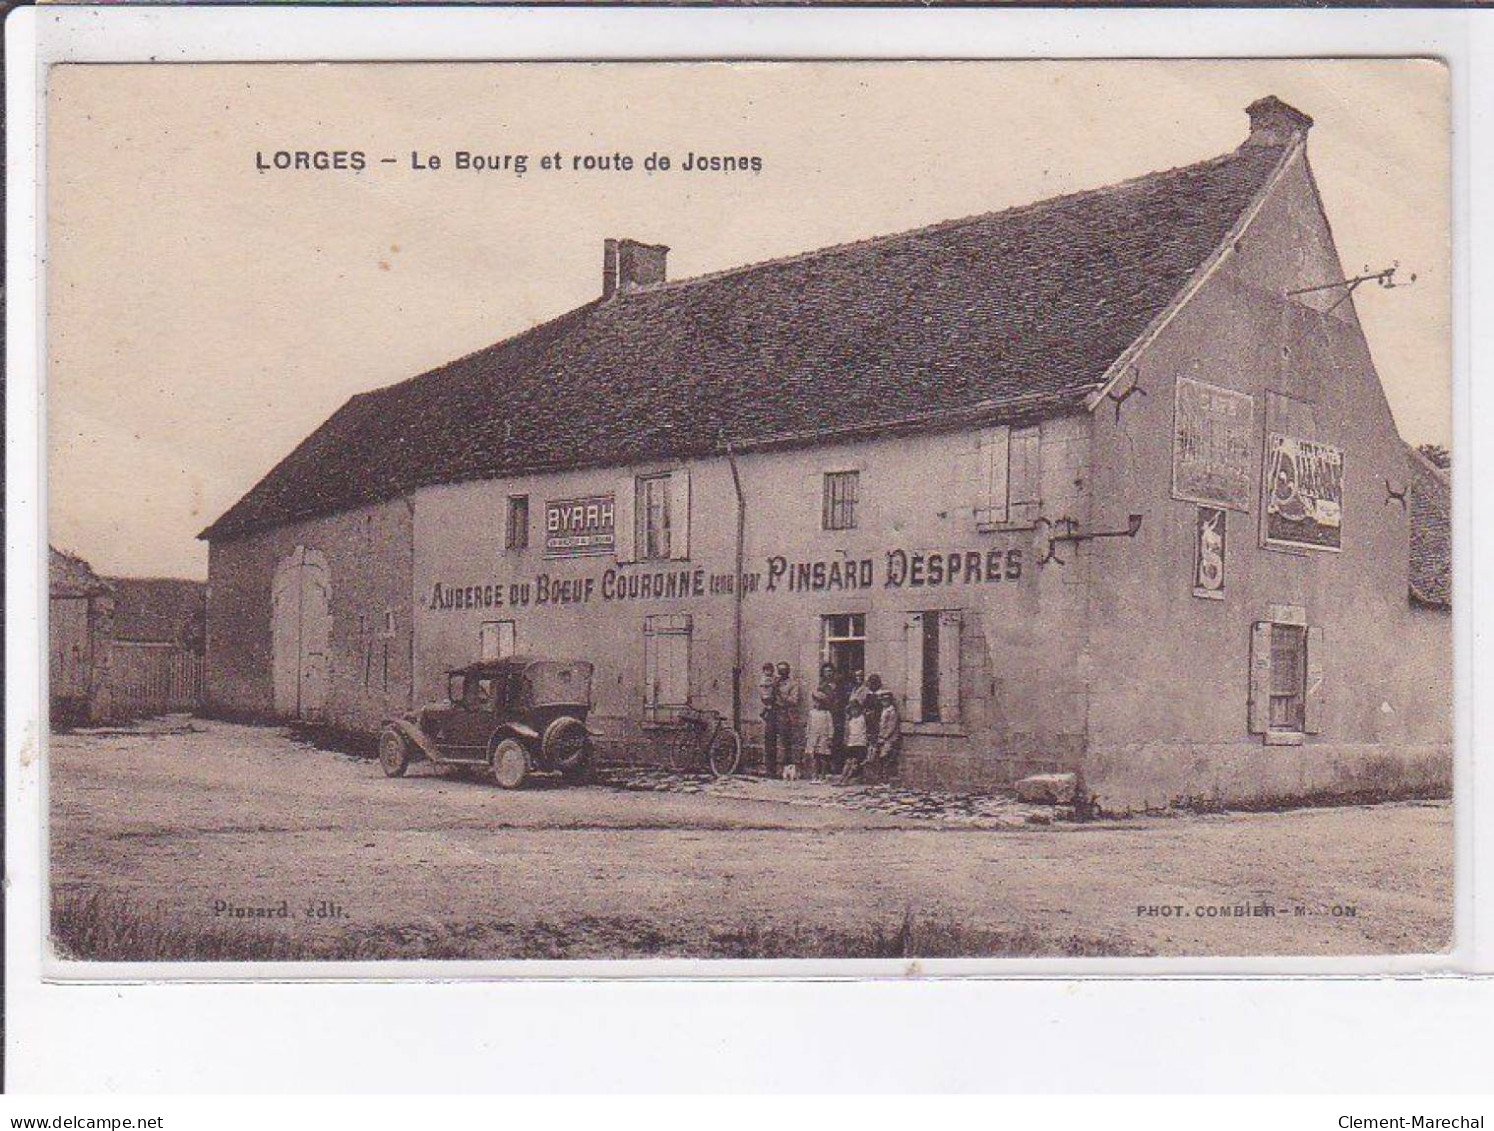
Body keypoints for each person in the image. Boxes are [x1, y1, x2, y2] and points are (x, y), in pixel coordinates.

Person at [866, 688, 901, 783]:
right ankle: (881, 778)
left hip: (889, 738)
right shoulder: (884, 710)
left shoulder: (892, 711)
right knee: (879, 758)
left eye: (886, 700)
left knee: (885, 758)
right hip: (883, 737)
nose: (883, 702)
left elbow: (891, 726)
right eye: (882, 700)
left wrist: (884, 737)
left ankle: (886, 779)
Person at [774, 662, 802, 778]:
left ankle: (791, 769)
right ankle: (776, 770)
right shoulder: (776, 683)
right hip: (776, 713)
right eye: (779, 670)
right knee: (778, 742)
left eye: (784, 670)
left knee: (789, 742)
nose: (781, 673)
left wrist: (780, 694)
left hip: (787, 713)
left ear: (788, 671)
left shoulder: (793, 684)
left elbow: (794, 700)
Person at [803, 680, 834, 780]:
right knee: (814, 757)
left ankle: (823, 775)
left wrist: (830, 737)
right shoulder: (812, 713)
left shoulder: (826, 713)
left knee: (823, 757)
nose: (817, 704)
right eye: (815, 701)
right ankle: (814, 775)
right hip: (813, 736)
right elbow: (809, 725)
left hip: (823, 737)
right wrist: (807, 735)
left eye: (819, 702)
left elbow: (830, 726)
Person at [758, 662, 781, 777]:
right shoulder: (765, 681)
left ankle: (773, 769)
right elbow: (765, 695)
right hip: (769, 708)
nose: (769, 672)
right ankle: (769, 769)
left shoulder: (773, 679)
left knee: (773, 741)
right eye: (767, 670)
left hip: (773, 707)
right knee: (769, 740)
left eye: (771, 670)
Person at [840, 698, 869, 783]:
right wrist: (846, 740)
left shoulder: (862, 718)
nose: (854, 712)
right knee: (848, 761)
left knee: (854, 762)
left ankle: (847, 779)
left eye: (856, 709)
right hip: (851, 743)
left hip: (860, 743)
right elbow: (848, 732)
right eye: (852, 710)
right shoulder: (850, 721)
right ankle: (842, 777)